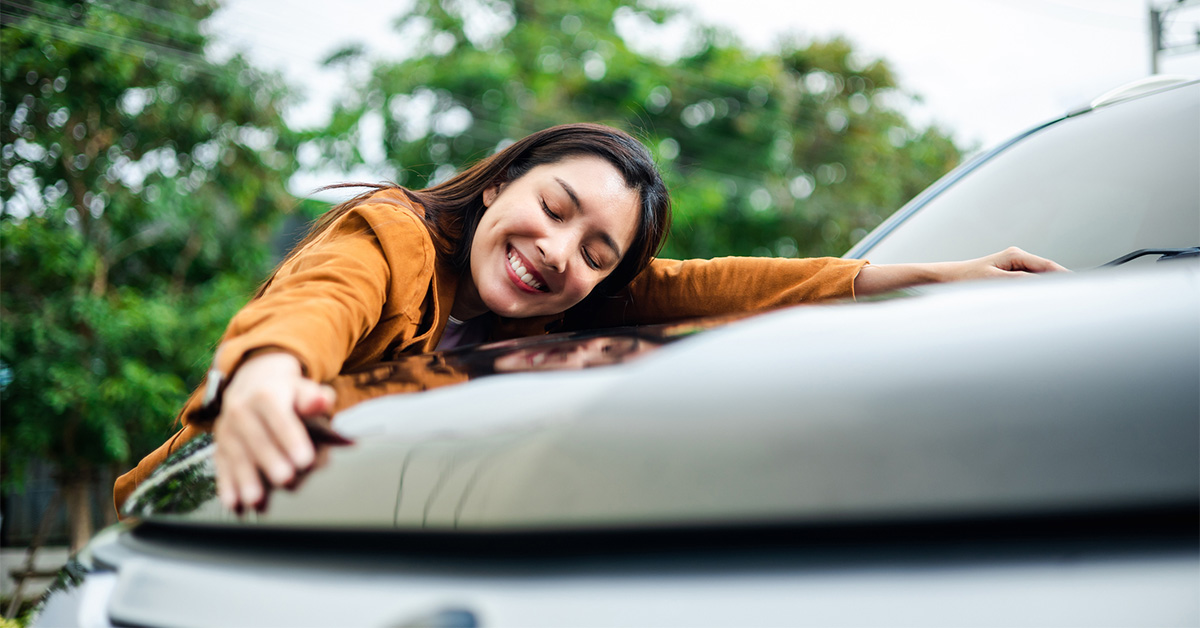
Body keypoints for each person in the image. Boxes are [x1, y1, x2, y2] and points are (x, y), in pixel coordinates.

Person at [112, 123, 1066, 514]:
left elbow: (727, 286)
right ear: (497, 186)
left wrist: (930, 275)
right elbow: (323, 297)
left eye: (598, 254)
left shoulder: (558, 309)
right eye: (556, 209)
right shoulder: (398, 237)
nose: (560, 253)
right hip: (200, 513)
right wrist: (269, 372)